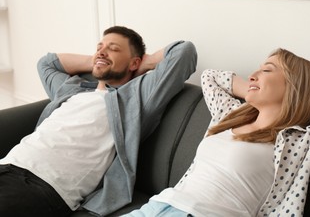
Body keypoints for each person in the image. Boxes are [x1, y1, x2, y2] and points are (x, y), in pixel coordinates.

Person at [126, 48, 310, 217]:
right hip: (158, 206)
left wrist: (309, 106)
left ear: (294, 87)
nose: (252, 75)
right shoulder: (229, 115)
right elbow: (211, 77)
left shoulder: (303, 143)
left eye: (266, 70)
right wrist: (252, 91)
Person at [0, 26, 197, 217]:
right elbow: (47, 63)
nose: (102, 52)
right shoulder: (72, 88)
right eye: (99, 47)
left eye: (113, 49)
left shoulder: (135, 100)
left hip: (41, 186)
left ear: (134, 63)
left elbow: (184, 52)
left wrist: (143, 64)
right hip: (7, 164)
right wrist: (97, 61)